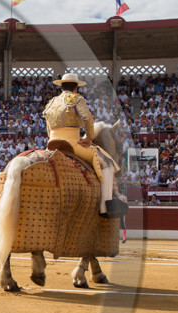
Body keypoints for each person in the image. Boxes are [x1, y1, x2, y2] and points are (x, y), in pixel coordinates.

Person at [43, 73, 127, 218]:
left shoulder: (51, 102)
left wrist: (53, 138)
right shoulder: (76, 98)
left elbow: (48, 126)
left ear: (61, 86)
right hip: (72, 143)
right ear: (76, 87)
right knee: (107, 164)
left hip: (51, 143)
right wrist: (88, 138)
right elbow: (87, 118)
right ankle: (106, 206)